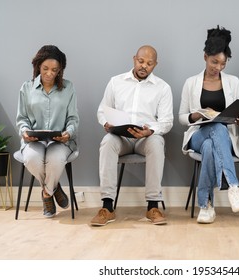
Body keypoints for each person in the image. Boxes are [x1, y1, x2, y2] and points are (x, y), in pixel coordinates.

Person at [91, 45, 173, 226]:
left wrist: (150, 130)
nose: (144, 66)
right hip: (122, 138)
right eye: (141, 61)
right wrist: (106, 123)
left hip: (146, 138)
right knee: (107, 142)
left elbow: (167, 121)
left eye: (149, 63)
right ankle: (107, 207)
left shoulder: (163, 88)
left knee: (157, 143)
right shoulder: (115, 82)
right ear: (134, 59)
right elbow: (101, 111)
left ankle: (153, 206)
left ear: (155, 65)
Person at [178, 26, 239, 224]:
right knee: (214, 129)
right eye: (214, 62)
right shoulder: (191, 83)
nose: (218, 67)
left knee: (212, 143)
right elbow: (181, 117)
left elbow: (236, 112)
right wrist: (195, 116)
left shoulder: (233, 82)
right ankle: (233, 188)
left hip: (223, 139)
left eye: (222, 64)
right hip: (197, 135)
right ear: (205, 57)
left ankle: (206, 205)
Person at [16, 45, 79, 218]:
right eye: (45, 69)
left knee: (56, 160)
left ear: (60, 70)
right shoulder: (26, 88)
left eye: (55, 70)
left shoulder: (68, 88)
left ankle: (46, 194)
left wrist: (68, 133)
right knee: (31, 159)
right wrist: (24, 132)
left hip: (60, 141)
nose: (50, 73)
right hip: (34, 140)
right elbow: (22, 119)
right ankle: (54, 187)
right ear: (37, 67)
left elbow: (73, 118)